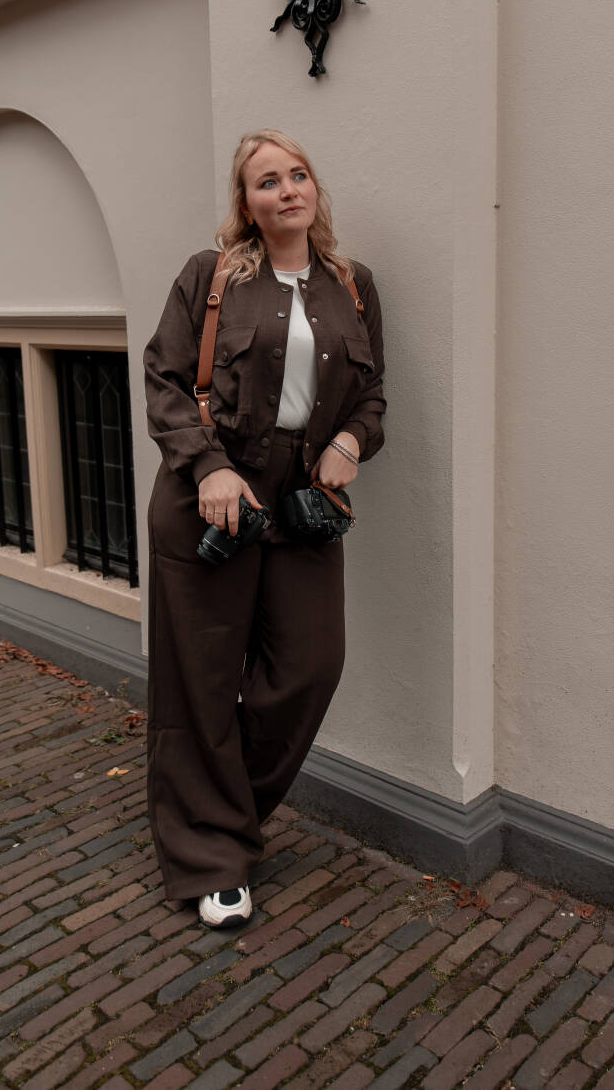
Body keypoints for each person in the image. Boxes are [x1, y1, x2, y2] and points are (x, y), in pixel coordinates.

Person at [143, 128, 386, 928]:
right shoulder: (210, 276)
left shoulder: (352, 285)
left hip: (302, 501)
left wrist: (351, 442)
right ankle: (212, 857)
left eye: (298, 174)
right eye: (267, 180)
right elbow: (165, 378)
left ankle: (214, 810)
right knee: (202, 678)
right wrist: (207, 467)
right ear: (245, 203)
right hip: (210, 493)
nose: (287, 189)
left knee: (312, 664)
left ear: (315, 188)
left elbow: (372, 394)